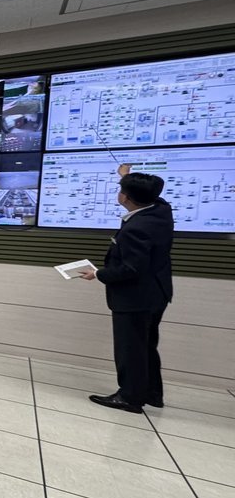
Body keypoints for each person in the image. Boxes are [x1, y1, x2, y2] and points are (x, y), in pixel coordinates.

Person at [78, 166, 173, 413]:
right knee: (146, 346)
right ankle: (152, 393)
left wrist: (98, 274)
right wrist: (126, 178)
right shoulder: (161, 212)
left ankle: (130, 397)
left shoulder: (136, 227)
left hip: (135, 297)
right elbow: (155, 196)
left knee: (130, 349)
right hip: (156, 294)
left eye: (121, 190)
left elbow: (131, 269)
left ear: (126, 197)